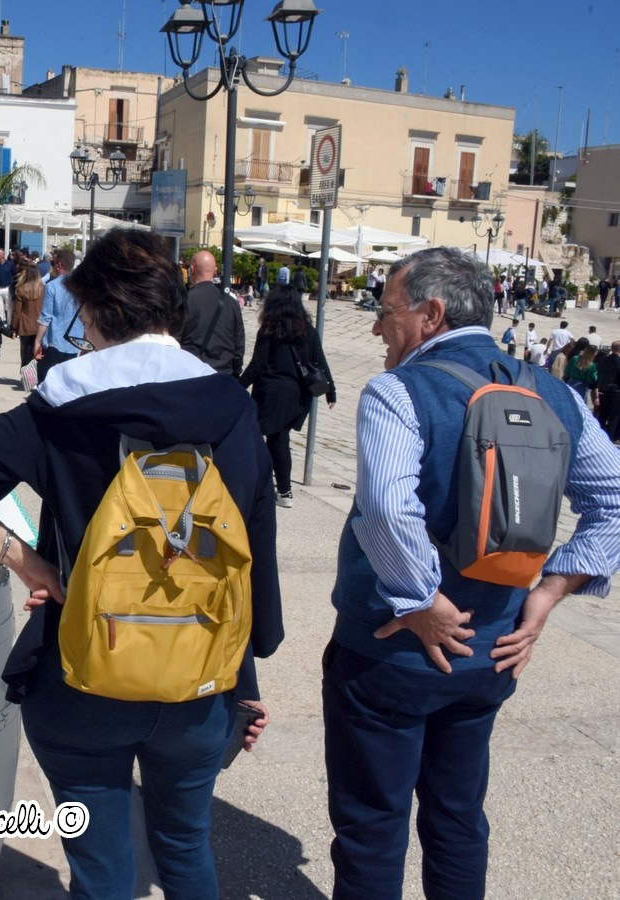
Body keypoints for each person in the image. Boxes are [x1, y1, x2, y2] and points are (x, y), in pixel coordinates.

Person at [0, 228, 282, 900]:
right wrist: (247, 669)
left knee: (101, 873)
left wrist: (26, 563)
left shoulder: (58, 409)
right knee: (187, 850)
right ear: (171, 310)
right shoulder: (231, 409)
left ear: (92, 312)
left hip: (82, 670)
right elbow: (255, 552)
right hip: (199, 679)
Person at [325, 246, 620, 900]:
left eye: (387, 312)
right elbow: (614, 496)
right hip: (491, 649)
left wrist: (419, 599)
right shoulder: (557, 393)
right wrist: (547, 595)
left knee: (373, 822)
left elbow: (386, 509)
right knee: (458, 817)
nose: (377, 328)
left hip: (391, 654)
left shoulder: (400, 391)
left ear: (430, 315)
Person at [239, 284, 336, 509]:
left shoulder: (269, 330)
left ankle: (255, 483)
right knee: (280, 439)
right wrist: (331, 391)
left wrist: (238, 386)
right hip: (297, 396)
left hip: (270, 394)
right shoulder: (308, 330)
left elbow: (257, 365)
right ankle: (285, 491)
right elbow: (320, 362)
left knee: (256, 436)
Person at [180, 250, 245, 376]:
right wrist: (236, 373)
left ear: (192, 269)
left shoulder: (185, 301)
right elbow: (239, 343)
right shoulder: (231, 303)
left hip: (192, 374)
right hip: (223, 374)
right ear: (215, 271)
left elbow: (175, 339)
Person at [33, 248, 82, 383]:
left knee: (45, 380)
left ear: (59, 264)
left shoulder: (52, 286)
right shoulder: (80, 287)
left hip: (55, 340)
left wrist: (37, 341)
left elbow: (46, 317)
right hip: (75, 341)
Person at [12, 259, 44, 370]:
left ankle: (26, 376)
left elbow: (17, 311)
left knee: (25, 352)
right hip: (40, 325)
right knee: (38, 351)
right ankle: (36, 375)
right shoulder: (43, 289)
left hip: (25, 325)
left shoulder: (21, 289)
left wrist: (13, 327)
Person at [0, 248, 16, 323]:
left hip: (7, 288)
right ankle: (1, 323)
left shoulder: (10, 264)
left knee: (9, 307)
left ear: (3, 254)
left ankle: (9, 324)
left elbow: (15, 275)